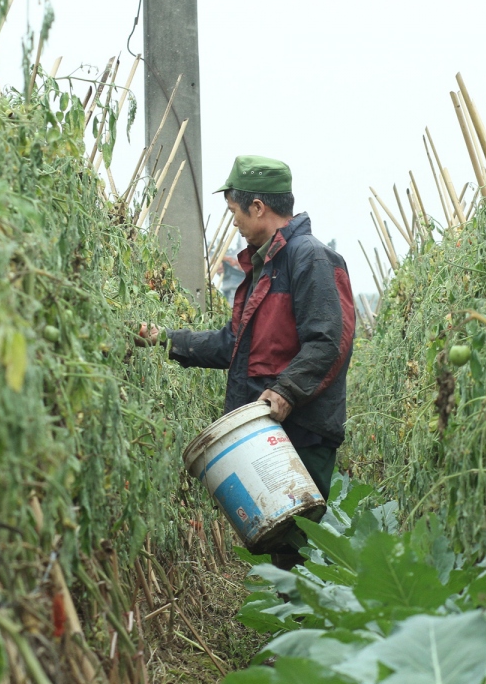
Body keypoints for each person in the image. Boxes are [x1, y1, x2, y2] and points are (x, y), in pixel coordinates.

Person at [136, 155, 355, 569]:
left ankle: (317, 628)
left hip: (302, 429)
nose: (233, 222)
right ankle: (294, 628)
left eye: (235, 211)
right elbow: (235, 345)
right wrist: (165, 340)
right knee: (281, 545)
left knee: (301, 542)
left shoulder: (309, 258)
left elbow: (330, 341)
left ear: (258, 207)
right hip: (267, 429)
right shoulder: (265, 267)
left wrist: (287, 390)